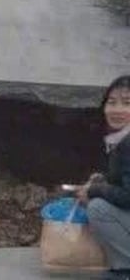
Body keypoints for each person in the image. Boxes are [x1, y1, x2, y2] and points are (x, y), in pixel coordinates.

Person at [79, 75, 130, 280]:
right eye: (112, 102)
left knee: (98, 208)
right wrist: (105, 179)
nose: (117, 109)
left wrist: (95, 190)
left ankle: (125, 270)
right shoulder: (121, 139)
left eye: (127, 103)